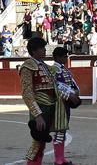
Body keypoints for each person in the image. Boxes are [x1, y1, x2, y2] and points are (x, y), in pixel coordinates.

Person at [18, 35, 61, 165]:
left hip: (50, 105)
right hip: (40, 107)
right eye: (42, 48)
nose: (44, 50)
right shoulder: (27, 66)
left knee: (42, 140)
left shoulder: (45, 66)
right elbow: (27, 93)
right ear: (34, 50)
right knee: (38, 140)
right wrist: (37, 115)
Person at [51, 46, 80, 165]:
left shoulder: (63, 69)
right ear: (58, 57)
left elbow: (72, 83)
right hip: (59, 104)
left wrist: (75, 92)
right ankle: (58, 159)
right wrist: (70, 95)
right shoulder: (54, 69)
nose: (66, 58)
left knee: (62, 130)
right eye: (64, 56)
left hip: (66, 103)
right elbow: (56, 86)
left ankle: (61, 159)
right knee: (59, 130)